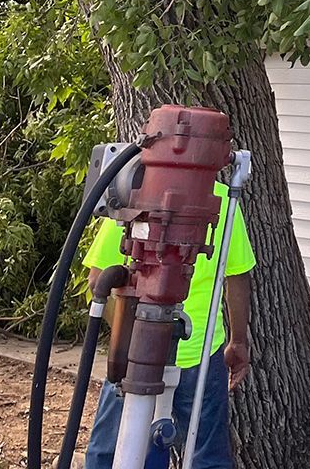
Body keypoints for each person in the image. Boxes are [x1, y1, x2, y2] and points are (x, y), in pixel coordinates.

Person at [82, 180, 255, 469]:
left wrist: (125, 340)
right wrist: (238, 341)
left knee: (108, 452)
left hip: (137, 353)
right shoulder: (224, 199)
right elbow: (237, 276)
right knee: (206, 458)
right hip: (199, 351)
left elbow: (97, 281)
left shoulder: (132, 192)